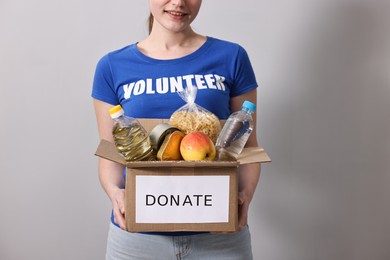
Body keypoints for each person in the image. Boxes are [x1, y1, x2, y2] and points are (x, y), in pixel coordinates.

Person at [92, 0, 261, 259]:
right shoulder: (112, 66)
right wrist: (115, 194)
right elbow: (110, 152)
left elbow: (248, 146)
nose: (179, 2)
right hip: (139, 237)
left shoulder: (232, 57)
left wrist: (244, 196)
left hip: (218, 235)